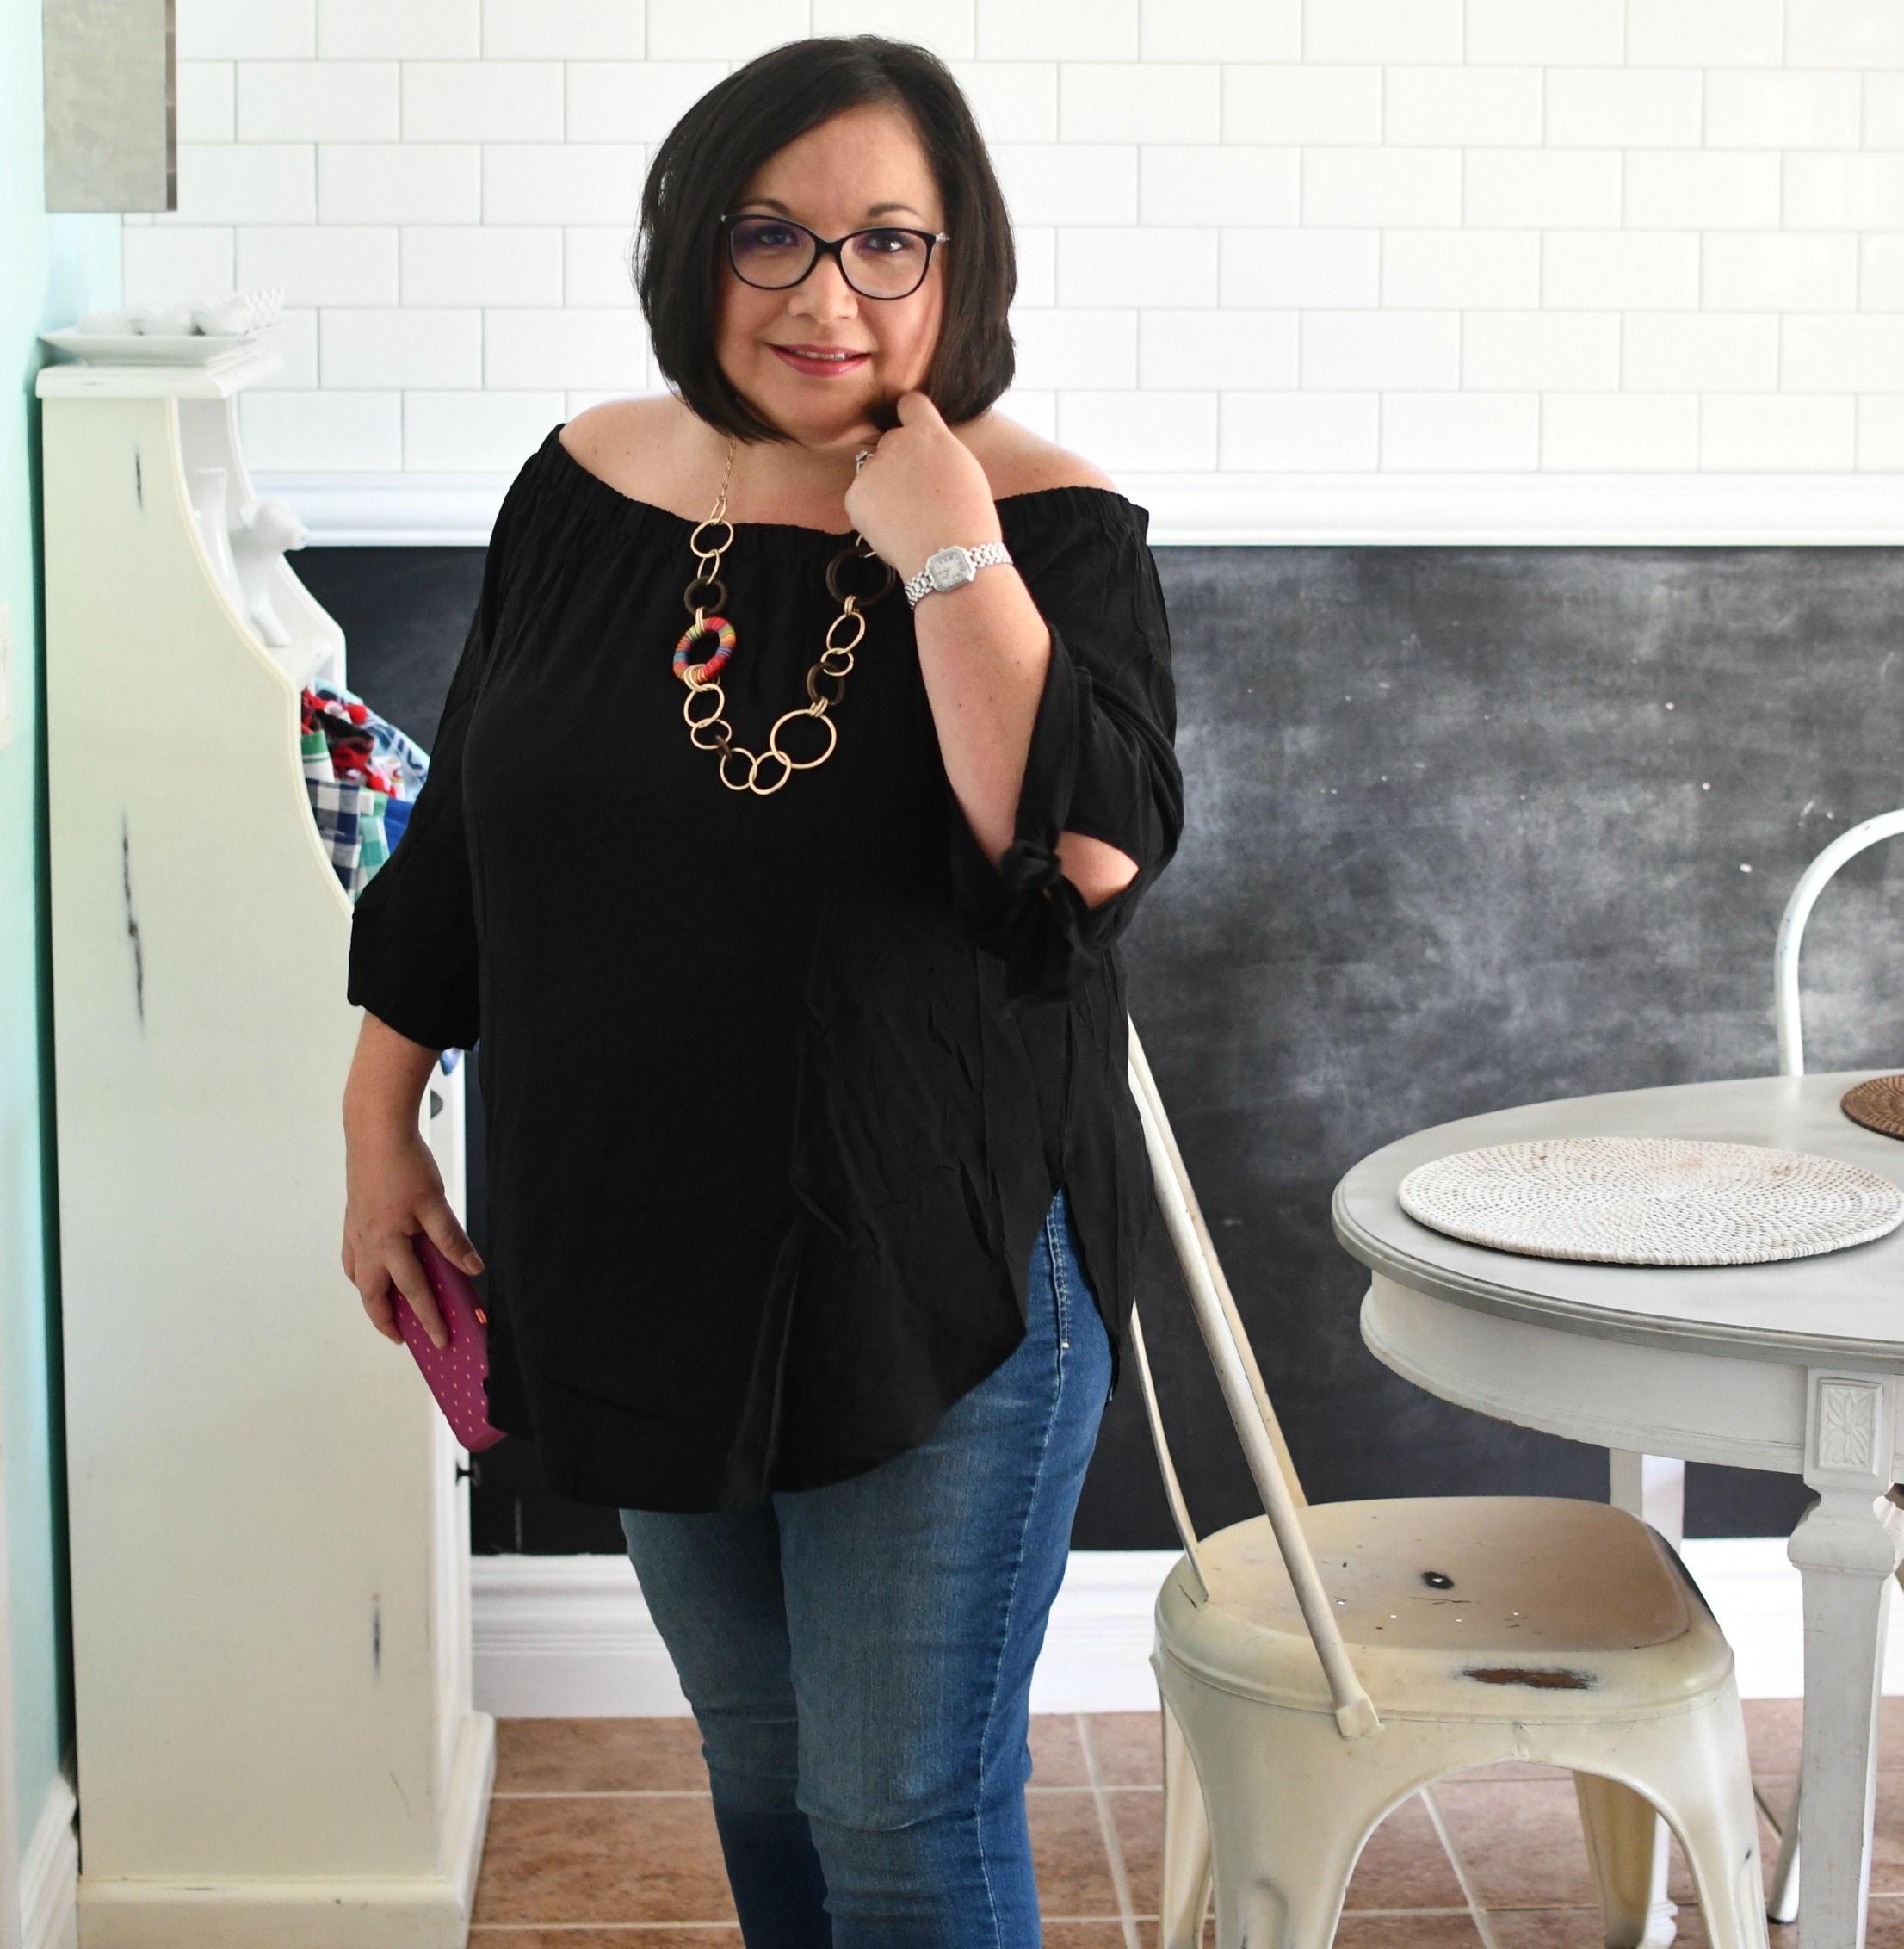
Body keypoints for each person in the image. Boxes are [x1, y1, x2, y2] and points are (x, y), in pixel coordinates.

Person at [340, 34, 1181, 1946]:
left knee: (897, 1812)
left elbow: (1072, 866)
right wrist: (376, 1110)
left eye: (889, 242)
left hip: (933, 1272)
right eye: (771, 238)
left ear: (959, 262)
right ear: (688, 248)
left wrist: (946, 548)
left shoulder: (1049, 524)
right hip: (630, 1243)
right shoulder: (578, 482)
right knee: (758, 1762)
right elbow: (467, 829)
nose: (828, 296)